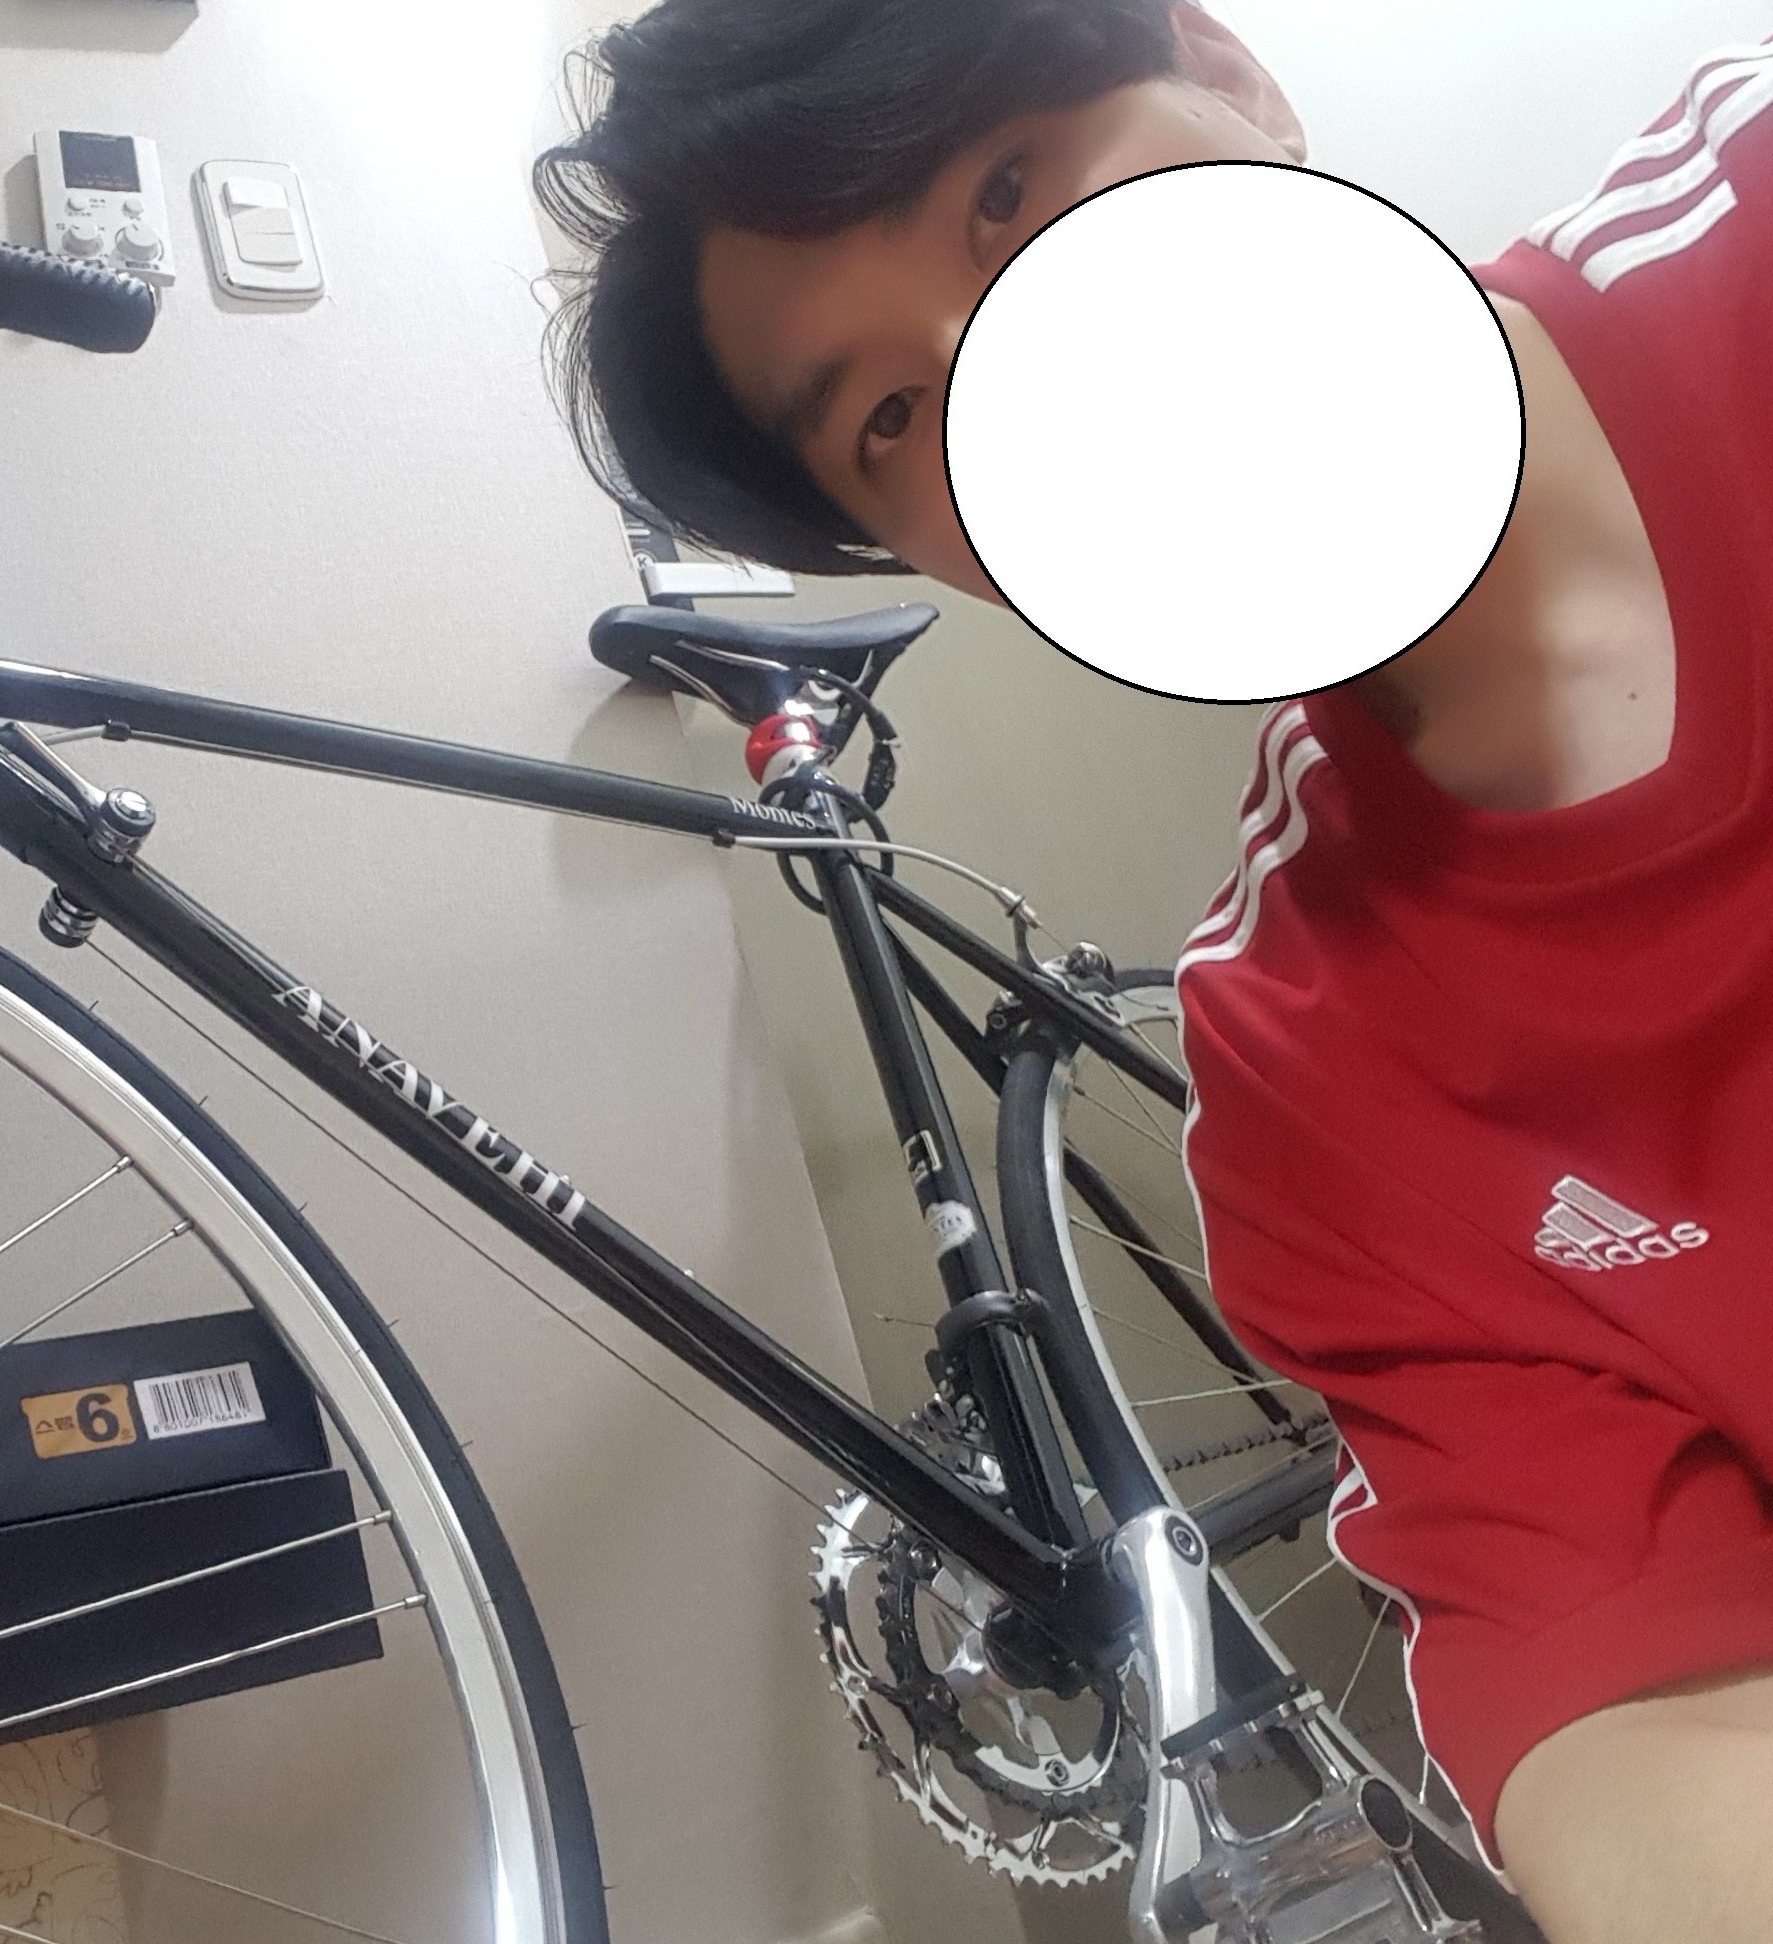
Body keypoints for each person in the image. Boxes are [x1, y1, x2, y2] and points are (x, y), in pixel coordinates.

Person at [534, 4, 1773, 1940]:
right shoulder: (1313, 1090)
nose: (1021, 381)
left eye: (1009, 189)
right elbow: (1641, 1718)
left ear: (1229, 68)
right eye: (891, 418)